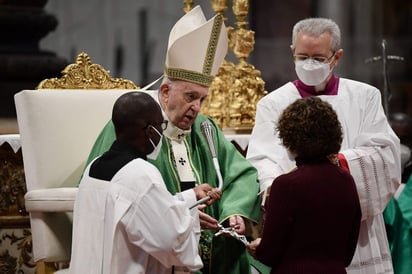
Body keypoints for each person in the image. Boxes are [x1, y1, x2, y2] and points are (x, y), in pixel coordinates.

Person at [84, 6, 266, 274]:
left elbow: (241, 175)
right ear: (166, 91)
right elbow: (114, 198)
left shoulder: (205, 127)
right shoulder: (128, 125)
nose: (197, 108)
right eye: (190, 97)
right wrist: (188, 216)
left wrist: (233, 212)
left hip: (208, 245)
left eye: (202, 99)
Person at [246, 17, 401, 274]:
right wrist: (279, 188)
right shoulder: (273, 103)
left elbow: (385, 156)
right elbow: (263, 159)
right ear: (292, 52)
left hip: (354, 228)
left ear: (336, 57)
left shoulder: (364, 96)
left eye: (318, 58)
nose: (309, 63)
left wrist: (338, 164)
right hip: (297, 227)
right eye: (302, 56)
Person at [69, 92, 222, 274]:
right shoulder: (141, 174)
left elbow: (143, 208)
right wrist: (191, 218)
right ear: (150, 131)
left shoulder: (94, 167)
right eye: (161, 126)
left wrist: (191, 197)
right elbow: (171, 242)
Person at [247, 96, 362, 273]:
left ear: (289, 137)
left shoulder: (286, 185)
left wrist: (258, 248)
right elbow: (347, 253)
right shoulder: (346, 180)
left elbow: (269, 253)